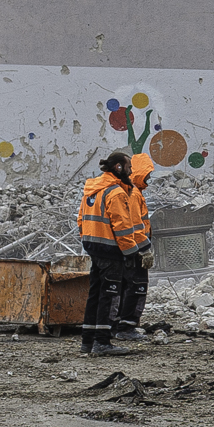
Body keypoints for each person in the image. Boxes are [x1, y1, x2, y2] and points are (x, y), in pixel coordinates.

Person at [76, 150, 152, 356]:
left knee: (94, 295)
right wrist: (132, 254)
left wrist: (88, 242)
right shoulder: (116, 193)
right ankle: (102, 342)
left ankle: (87, 341)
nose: (131, 172)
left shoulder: (92, 190)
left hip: (95, 249)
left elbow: (81, 220)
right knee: (108, 297)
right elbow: (123, 228)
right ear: (118, 168)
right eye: (128, 167)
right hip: (111, 251)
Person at [111, 153, 156, 343]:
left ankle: (118, 323)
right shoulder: (134, 194)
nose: (149, 178)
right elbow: (136, 226)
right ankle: (127, 326)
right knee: (137, 287)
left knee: (124, 287)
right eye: (146, 174)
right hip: (135, 248)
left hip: (127, 248)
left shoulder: (129, 191)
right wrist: (145, 249)